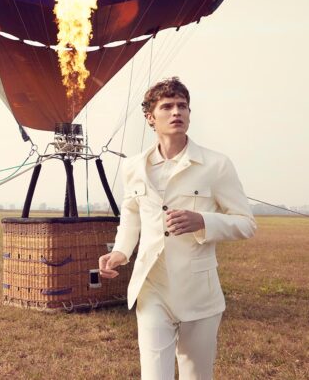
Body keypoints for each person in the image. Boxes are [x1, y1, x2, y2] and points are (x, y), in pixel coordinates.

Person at [99, 77, 256, 380]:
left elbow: (246, 224)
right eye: (167, 106)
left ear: (189, 113)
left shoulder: (216, 165)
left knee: (196, 376)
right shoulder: (133, 167)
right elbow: (131, 216)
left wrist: (204, 221)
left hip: (199, 294)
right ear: (150, 117)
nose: (176, 112)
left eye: (182, 106)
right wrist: (120, 252)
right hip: (152, 290)